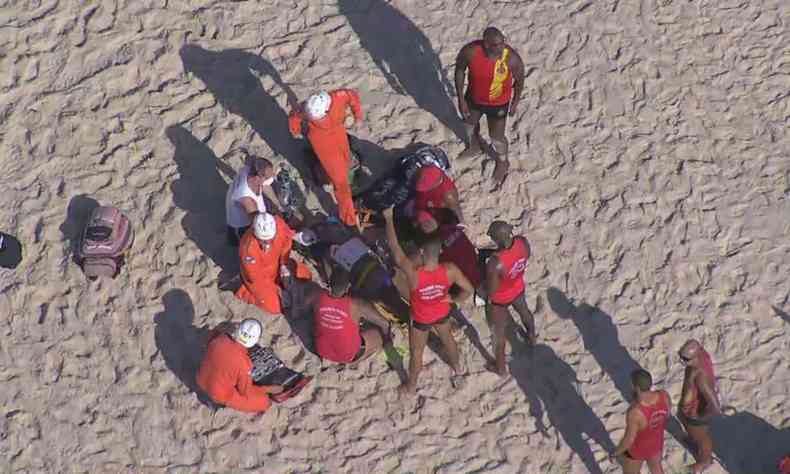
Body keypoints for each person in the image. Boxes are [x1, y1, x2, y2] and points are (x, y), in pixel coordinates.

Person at [382, 206, 474, 395]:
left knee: (416, 353)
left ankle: (411, 385)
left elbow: (394, 247)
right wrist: (452, 298)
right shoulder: (449, 269)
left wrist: (389, 218)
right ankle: (458, 369)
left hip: (421, 318)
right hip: (442, 312)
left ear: (422, 253)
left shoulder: (414, 274)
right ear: (440, 251)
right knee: (448, 339)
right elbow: (469, 290)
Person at [295, 215, 410, 323]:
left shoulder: (379, 290)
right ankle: (311, 238)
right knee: (326, 241)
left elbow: (343, 287)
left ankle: (311, 238)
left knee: (325, 242)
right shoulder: (376, 293)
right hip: (353, 259)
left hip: (354, 257)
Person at [454, 26, 525, 188]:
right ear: (486, 44)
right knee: (468, 125)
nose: (501, 48)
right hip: (473, 99)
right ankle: (474, 146)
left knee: (497, 137)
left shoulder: (511, 58)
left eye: (502, 43)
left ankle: (502, 162)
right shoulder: (470, 52)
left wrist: (515, 102)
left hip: (498, 103)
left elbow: (520, 80)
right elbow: (459, 70)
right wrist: (460, 98)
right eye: (496, 45)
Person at [288, 89, 363, 228]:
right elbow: (295, 116)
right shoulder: (308, 108)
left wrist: (358, 116)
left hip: (339, 133)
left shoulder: (337, 97)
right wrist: (295, 130)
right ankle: (349, 219)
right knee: (341, 185)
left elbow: (352, 95)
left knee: (346, 158)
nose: (317, 120)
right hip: (324, 147)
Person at [196, 319, 283, 412]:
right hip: (219, 394)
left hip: (200, 378)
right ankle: (216, 403)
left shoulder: (220, 337)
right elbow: (245, 391)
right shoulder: (244, 364)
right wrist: (268, 389)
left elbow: (208, 340)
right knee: (265, 402)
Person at [484, 220, 535, 376]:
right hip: (518, 287)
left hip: (500, 299)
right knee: (524, 311)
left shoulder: (495, 263)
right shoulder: (522, 242)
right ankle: (531, 336)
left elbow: (492, 290)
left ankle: (500, 368)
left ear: (498, 239)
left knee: (498, 333)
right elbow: (525, 257)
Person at [312, 269, 393, 364]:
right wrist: (388, 337)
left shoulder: (317, 297)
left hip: (322, 351)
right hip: (348, 356)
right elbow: (384, 323)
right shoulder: (356, 304)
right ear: (347, 287)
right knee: (380, 333)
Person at [236, 213, 311, 315]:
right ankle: (243, 291)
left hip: (277, 265)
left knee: (306, 275)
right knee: (276, 306)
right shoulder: (248, 249)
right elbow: (256, 278)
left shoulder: (279, 224)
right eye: (264, 240)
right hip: (259, 278)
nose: (268, 242)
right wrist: (277, 290)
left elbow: (286, 242)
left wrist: (283, 264)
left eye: (270, 238)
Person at [610, 369, 671, 474]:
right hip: (656, 443)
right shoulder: (664, 395)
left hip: (637, 449)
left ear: (636, 388)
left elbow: (629, 440)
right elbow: (668, 415)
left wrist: (616, 452)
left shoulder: (635, 412)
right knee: (656, 469)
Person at [677, 339, 721, 473]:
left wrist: (700, 417)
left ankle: (705, 461)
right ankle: (694, 440)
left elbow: (715, 406)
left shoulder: (700, 377)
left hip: (695, 412)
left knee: (702, 437)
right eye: (681, 357)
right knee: (692, 431)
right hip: (689, 408)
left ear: (696, 356)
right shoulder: (702, 355)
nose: (682, 361)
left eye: (686, 359)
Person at [414, 210, 481, 291]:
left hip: (463, 284)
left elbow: (429, 265)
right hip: (476, 273)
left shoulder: (434, 243)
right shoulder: (451, 228)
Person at [225, 156, 282, 245]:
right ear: (257, 177)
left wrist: (278, 205)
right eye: (267, 177)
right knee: (243, 241)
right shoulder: (246, 199)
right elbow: (257, 222)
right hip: (240, 224)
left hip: (234, 198)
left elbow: (266, 185)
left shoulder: (251, 168)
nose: (271, 178)